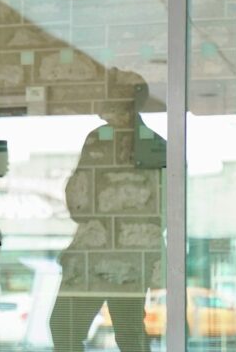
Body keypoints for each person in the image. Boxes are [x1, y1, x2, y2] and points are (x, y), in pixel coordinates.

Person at [49, 69, 163, 352]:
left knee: (64, 326)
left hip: (97, 252)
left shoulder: (99, 140)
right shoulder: (156, 144)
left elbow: (78, 202)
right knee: (129, 333)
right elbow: (167, 209)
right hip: (135, 255)